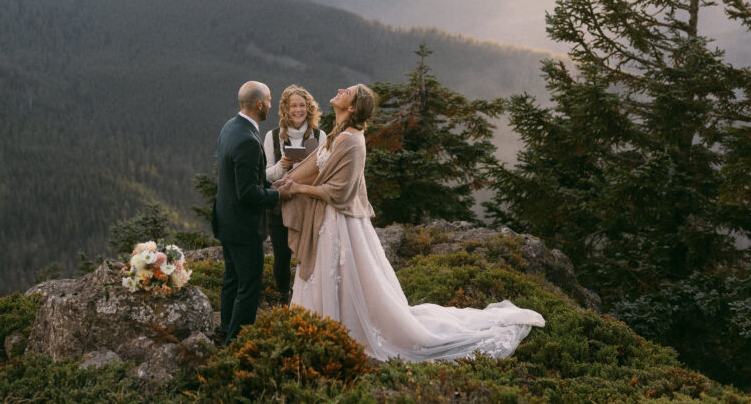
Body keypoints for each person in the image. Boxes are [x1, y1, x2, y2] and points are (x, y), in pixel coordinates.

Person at [277, 84, 544, 362]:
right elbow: (315, 165)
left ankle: (335, 330)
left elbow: (338, 192)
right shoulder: (338, 134)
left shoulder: (352, 140)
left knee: (344, 279)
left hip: (340, 223)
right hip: (330, 222)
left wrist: (297, 189)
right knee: (333, 278)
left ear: (353, 107)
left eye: (348, 92)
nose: (341, 89)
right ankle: (319, 328)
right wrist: (287, 180)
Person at [212, 80, 291, 344]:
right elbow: (247, 193)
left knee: (232, 280)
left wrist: (271, 183)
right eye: (269, 101)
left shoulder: (231, 126)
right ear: (259, 105)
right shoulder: (247, 139)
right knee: (249, 287)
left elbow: (246, 177)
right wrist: (279, 195)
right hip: (244, 227)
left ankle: (225, 330)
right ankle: (236, 343)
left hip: (226, 220)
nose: (271, 105)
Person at [262, 85, 326, 304]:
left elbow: (326, 169)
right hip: (280, 203)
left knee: (308, 251)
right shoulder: (272, 137)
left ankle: (308, 295)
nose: (298, 110)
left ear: (309, 108)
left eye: (302, 106)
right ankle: (283, 295)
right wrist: (283, 166)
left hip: (308, 201)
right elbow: (264, 173)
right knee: (281, 254)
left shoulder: (320, 135)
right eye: (293, 106)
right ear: (285, 110)